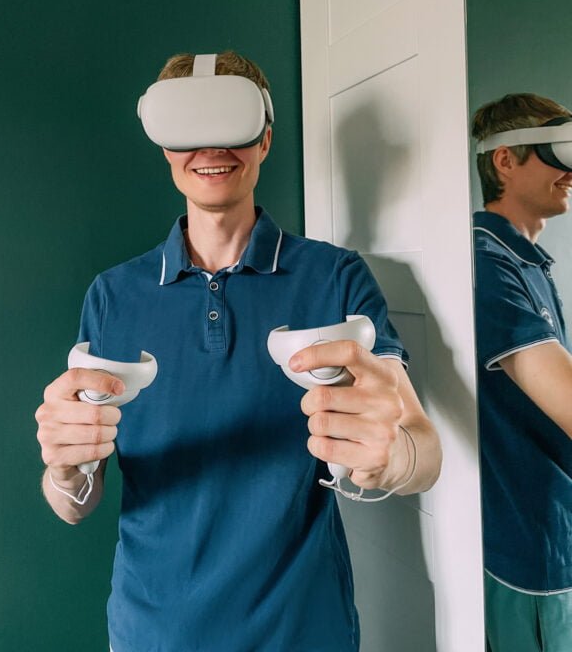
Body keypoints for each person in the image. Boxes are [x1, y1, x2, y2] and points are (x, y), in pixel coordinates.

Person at [35, 50, 441, 652]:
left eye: (232, 126)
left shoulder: (335, 278)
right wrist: (64, 468)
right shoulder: (113, 295)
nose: (211, 148)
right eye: (188, 131)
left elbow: (424, 452)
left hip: (303, 630)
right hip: (153, 632)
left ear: (266, 138)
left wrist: (388, 458)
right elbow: (74, 504)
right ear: (164, 147)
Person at [471, 93, 572, 652]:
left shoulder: (526, 262)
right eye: (558, 151)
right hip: (529, 544)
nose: (571, 171)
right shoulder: (487, 262)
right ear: (505, 160)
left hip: (553, 529)